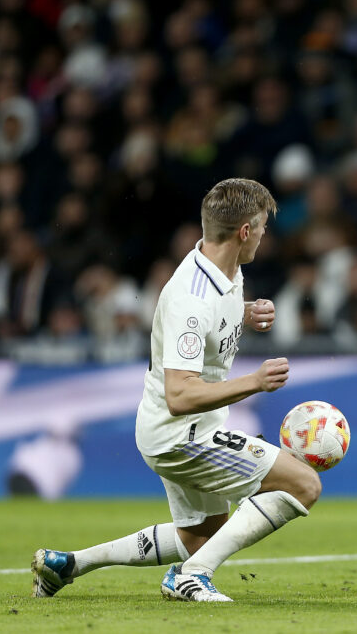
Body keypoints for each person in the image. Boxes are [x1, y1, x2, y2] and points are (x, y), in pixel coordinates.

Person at [31, 178, 322, 602]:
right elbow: (180, 394)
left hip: (179, 428)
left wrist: (243, 315)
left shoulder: (224, 268)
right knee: (302, 485)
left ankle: (68, 565)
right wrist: (254, 383)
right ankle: (192, 576)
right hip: (181, 434)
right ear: (244, 231)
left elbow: (209, 321)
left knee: (200, 535)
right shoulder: (190, 297)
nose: (264, 233)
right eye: (261, 226)